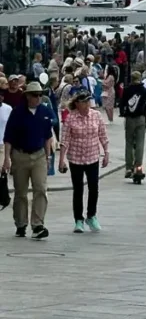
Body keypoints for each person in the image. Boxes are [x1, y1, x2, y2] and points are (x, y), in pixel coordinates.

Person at [2, 81, 54, 239]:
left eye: (40, 95)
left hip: (39, 155)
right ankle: (21, 223)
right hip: (20, 155)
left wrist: (48, 156)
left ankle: (38, 224)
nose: (38, 98)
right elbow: (8, 137)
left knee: (40, 189)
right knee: (21, 193)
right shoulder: (17, 113)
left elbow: (48, 136)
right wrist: (7, 159)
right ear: (28, 96)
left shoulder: (45, 112)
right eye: (35, 95)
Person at [58, 89, 109, 232]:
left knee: (94, 188)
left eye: (88, 101)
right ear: (77, 104)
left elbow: (103, 136)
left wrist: (106, 153)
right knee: (78, 189)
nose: (87, 104)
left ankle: (91, 215)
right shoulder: (70, 118)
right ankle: (78, 220)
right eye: (84, 102)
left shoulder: (96, 115)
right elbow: (65, 140)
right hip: (75, 158)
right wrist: (61, 160)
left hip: (92, 156)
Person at [119, 71, 146, 179]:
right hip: (141, 118)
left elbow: (122, 103)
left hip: (130, 118)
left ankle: (128, 167)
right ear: (140, 78)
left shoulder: (127, 90)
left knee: (129, 142)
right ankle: (138, 166)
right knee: (140, 142)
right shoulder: (144, 90)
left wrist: (123, 113)